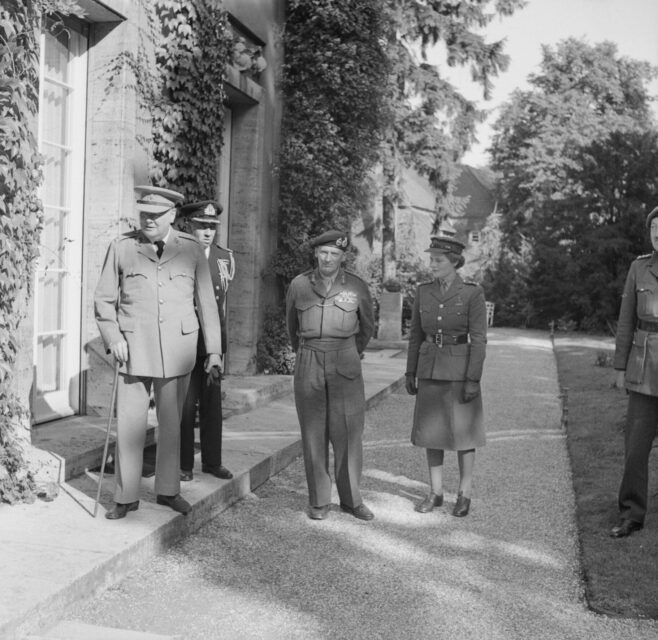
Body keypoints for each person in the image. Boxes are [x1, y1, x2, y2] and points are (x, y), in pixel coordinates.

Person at [94, 185, 223, 520]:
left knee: (172, 424)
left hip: (177, 350)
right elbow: (104, 301)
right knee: (130, 425)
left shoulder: (191, 249)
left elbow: (207, 305)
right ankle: (126, 496)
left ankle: (168, 491)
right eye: (144, 214)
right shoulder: (123, 247)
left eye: (155, 215)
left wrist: (214, 352)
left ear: (172, 215)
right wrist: (113, 335)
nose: (148, 220)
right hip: (133, 349)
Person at [286, 230, 375, 521]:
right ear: (315, 254)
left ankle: (351, 499)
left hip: (345, 360)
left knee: (349, 433)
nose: (328, 258)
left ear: (343, 257)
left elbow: (366, 328)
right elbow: (291, 326)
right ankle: (319, 501)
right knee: (313, 434)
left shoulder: (357, 287)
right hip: (309, 359)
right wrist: (307, 352)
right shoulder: (299, 285)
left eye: (334, 254)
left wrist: (349, 351)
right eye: (323, 252)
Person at [405, 227, 487, 517]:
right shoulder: (423, 292)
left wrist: (473, 378)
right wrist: (410, 371)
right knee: (431, 433)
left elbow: (478, 339)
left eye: (439, 259)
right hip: (429, 368)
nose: (433, 263)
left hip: (459, 371)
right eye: (432, 258)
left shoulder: (471, 294)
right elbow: (415, 335)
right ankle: (436, 492)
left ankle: (464, 494)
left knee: (465, 435)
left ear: (454, 261)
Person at [178, 200, 234, 482]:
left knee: (212, 405)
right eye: (202, 226)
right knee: (186, 405)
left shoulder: (225, 258)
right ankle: (183, 464)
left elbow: (221, 306)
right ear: (189, 226)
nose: (207, 232)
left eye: (212, 227)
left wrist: (220, 347)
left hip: (213, 343)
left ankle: (213, 461)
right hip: (185, 339)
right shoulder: (178, 255)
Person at [610, 205, 658, 538]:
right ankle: (632, 513)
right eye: (655, 229)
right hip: (644, 371)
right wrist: (619, 366)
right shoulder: (639, 267)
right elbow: (626, 320)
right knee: (636, 447)